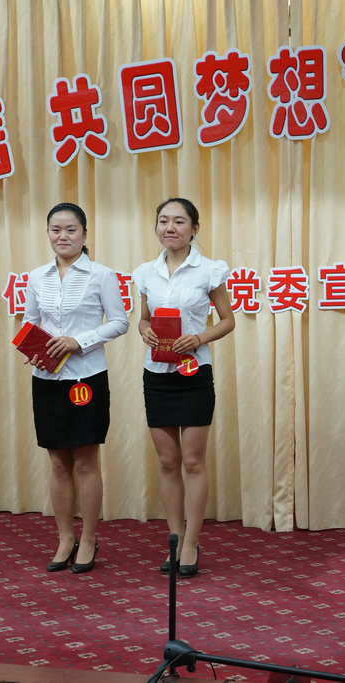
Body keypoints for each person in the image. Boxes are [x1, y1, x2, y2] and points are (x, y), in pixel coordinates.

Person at [23, 202, 129, 574]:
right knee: (57, 463)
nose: (63, 236)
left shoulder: (102, 275)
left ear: (84, 234)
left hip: (86, 377)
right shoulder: (36, 277)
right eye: (56, 229)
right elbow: (30, 322)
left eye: (71, 230)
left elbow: (119, 322)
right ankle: (65, 537)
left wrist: (78, 341)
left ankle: (88, 539)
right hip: (47, 380)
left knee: (85, 462)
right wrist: (34, 352)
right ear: (48, 233)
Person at [133, 198, 235, 577]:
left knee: (192, 462)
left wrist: (199, 337)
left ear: (195, 228)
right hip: (157, 375)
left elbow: (227, 320)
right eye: (164, 221)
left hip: (194, 374)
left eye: (179, 221)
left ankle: (192, 542)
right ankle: (174, 539)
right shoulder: (146, 272)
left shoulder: (209, 270)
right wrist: (144, 330)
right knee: (166, 462)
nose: (170, 228)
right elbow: (143, 318)